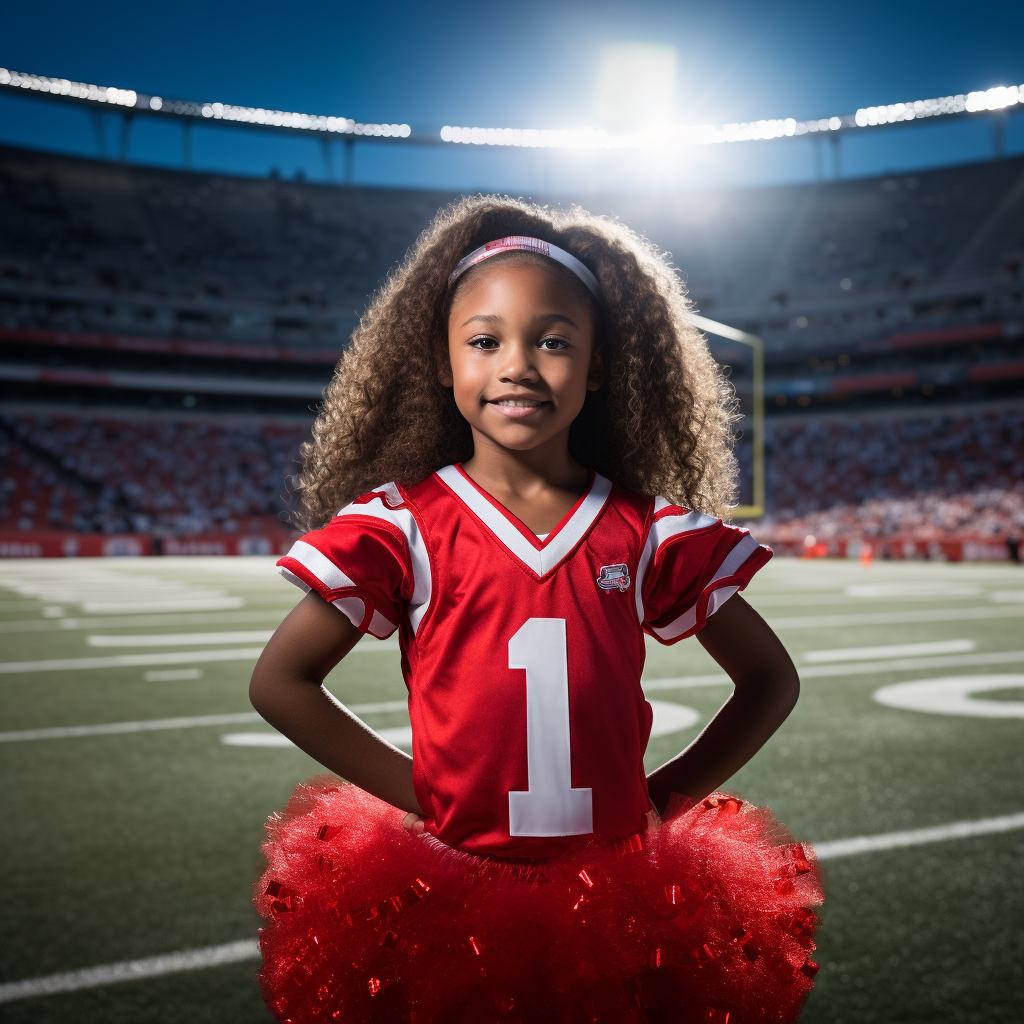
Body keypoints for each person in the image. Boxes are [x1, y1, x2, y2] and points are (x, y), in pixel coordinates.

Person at [249, 198, 822, 1024]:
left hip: (619, 891)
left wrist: (667, 793)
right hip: (452, 883)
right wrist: (415, 796)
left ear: (597, 369)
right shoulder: (402, 524)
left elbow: (769, 680)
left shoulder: (648, 529)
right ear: (443, 366)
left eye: (553, 341)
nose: (517, 364)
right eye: (484, 341)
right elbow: (282, 681)